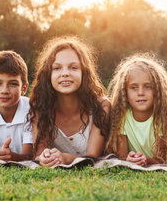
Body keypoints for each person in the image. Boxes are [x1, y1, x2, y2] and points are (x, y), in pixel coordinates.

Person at [28, 36, 110, 167]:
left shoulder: (101, 106)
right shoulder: (40, 107)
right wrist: (45, 158)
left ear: (84, 72)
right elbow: (39, 153)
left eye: (73, 67)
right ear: (48, 74)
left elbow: (93, 157)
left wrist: (65, 158)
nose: (65, 73)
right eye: (57, 68)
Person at [105, 54, 167, 166]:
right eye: (134, 87)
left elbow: (162, 160)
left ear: (157, 89)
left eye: (147, 86)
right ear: (124, 91)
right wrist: (130, 159)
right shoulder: (121, 116)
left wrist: (146, 160)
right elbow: (122, 156)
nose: (140, 93)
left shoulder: (165, 116)